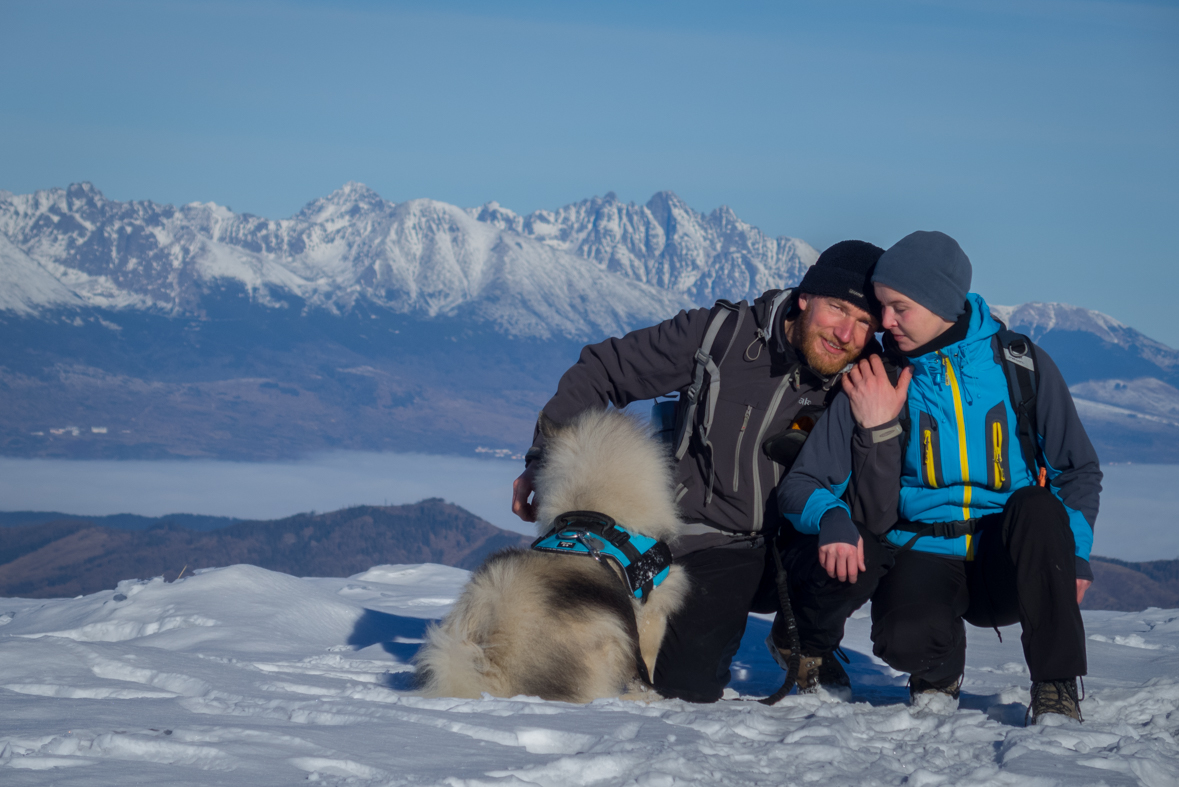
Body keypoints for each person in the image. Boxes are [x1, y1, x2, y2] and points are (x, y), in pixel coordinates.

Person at [511, 240, 886, 703]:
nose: (846, 334)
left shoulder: (870, 380)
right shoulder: (723, 337)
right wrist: (541, 461)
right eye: (837, 309)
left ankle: (805, 646)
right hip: (713, 542)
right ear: (805, 297)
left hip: (799, 538)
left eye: (864, 322)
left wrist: (878, 427)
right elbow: (605, 370)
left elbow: (883, 489)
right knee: (685, 687)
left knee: (867, 549)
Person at [780, 230, 1101, 723]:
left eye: (898, 308)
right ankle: (938, 667)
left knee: (1037, 507)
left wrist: (1074, 553)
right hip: (923, 551)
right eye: (882, 307)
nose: (884, 322)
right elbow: (804, 484)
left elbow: (1076, 468)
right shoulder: (876, 377)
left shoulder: (1021, 365)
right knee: (904, 637)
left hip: (1006, 558)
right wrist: (831, 514)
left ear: (942, 302)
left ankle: (1056, 686)